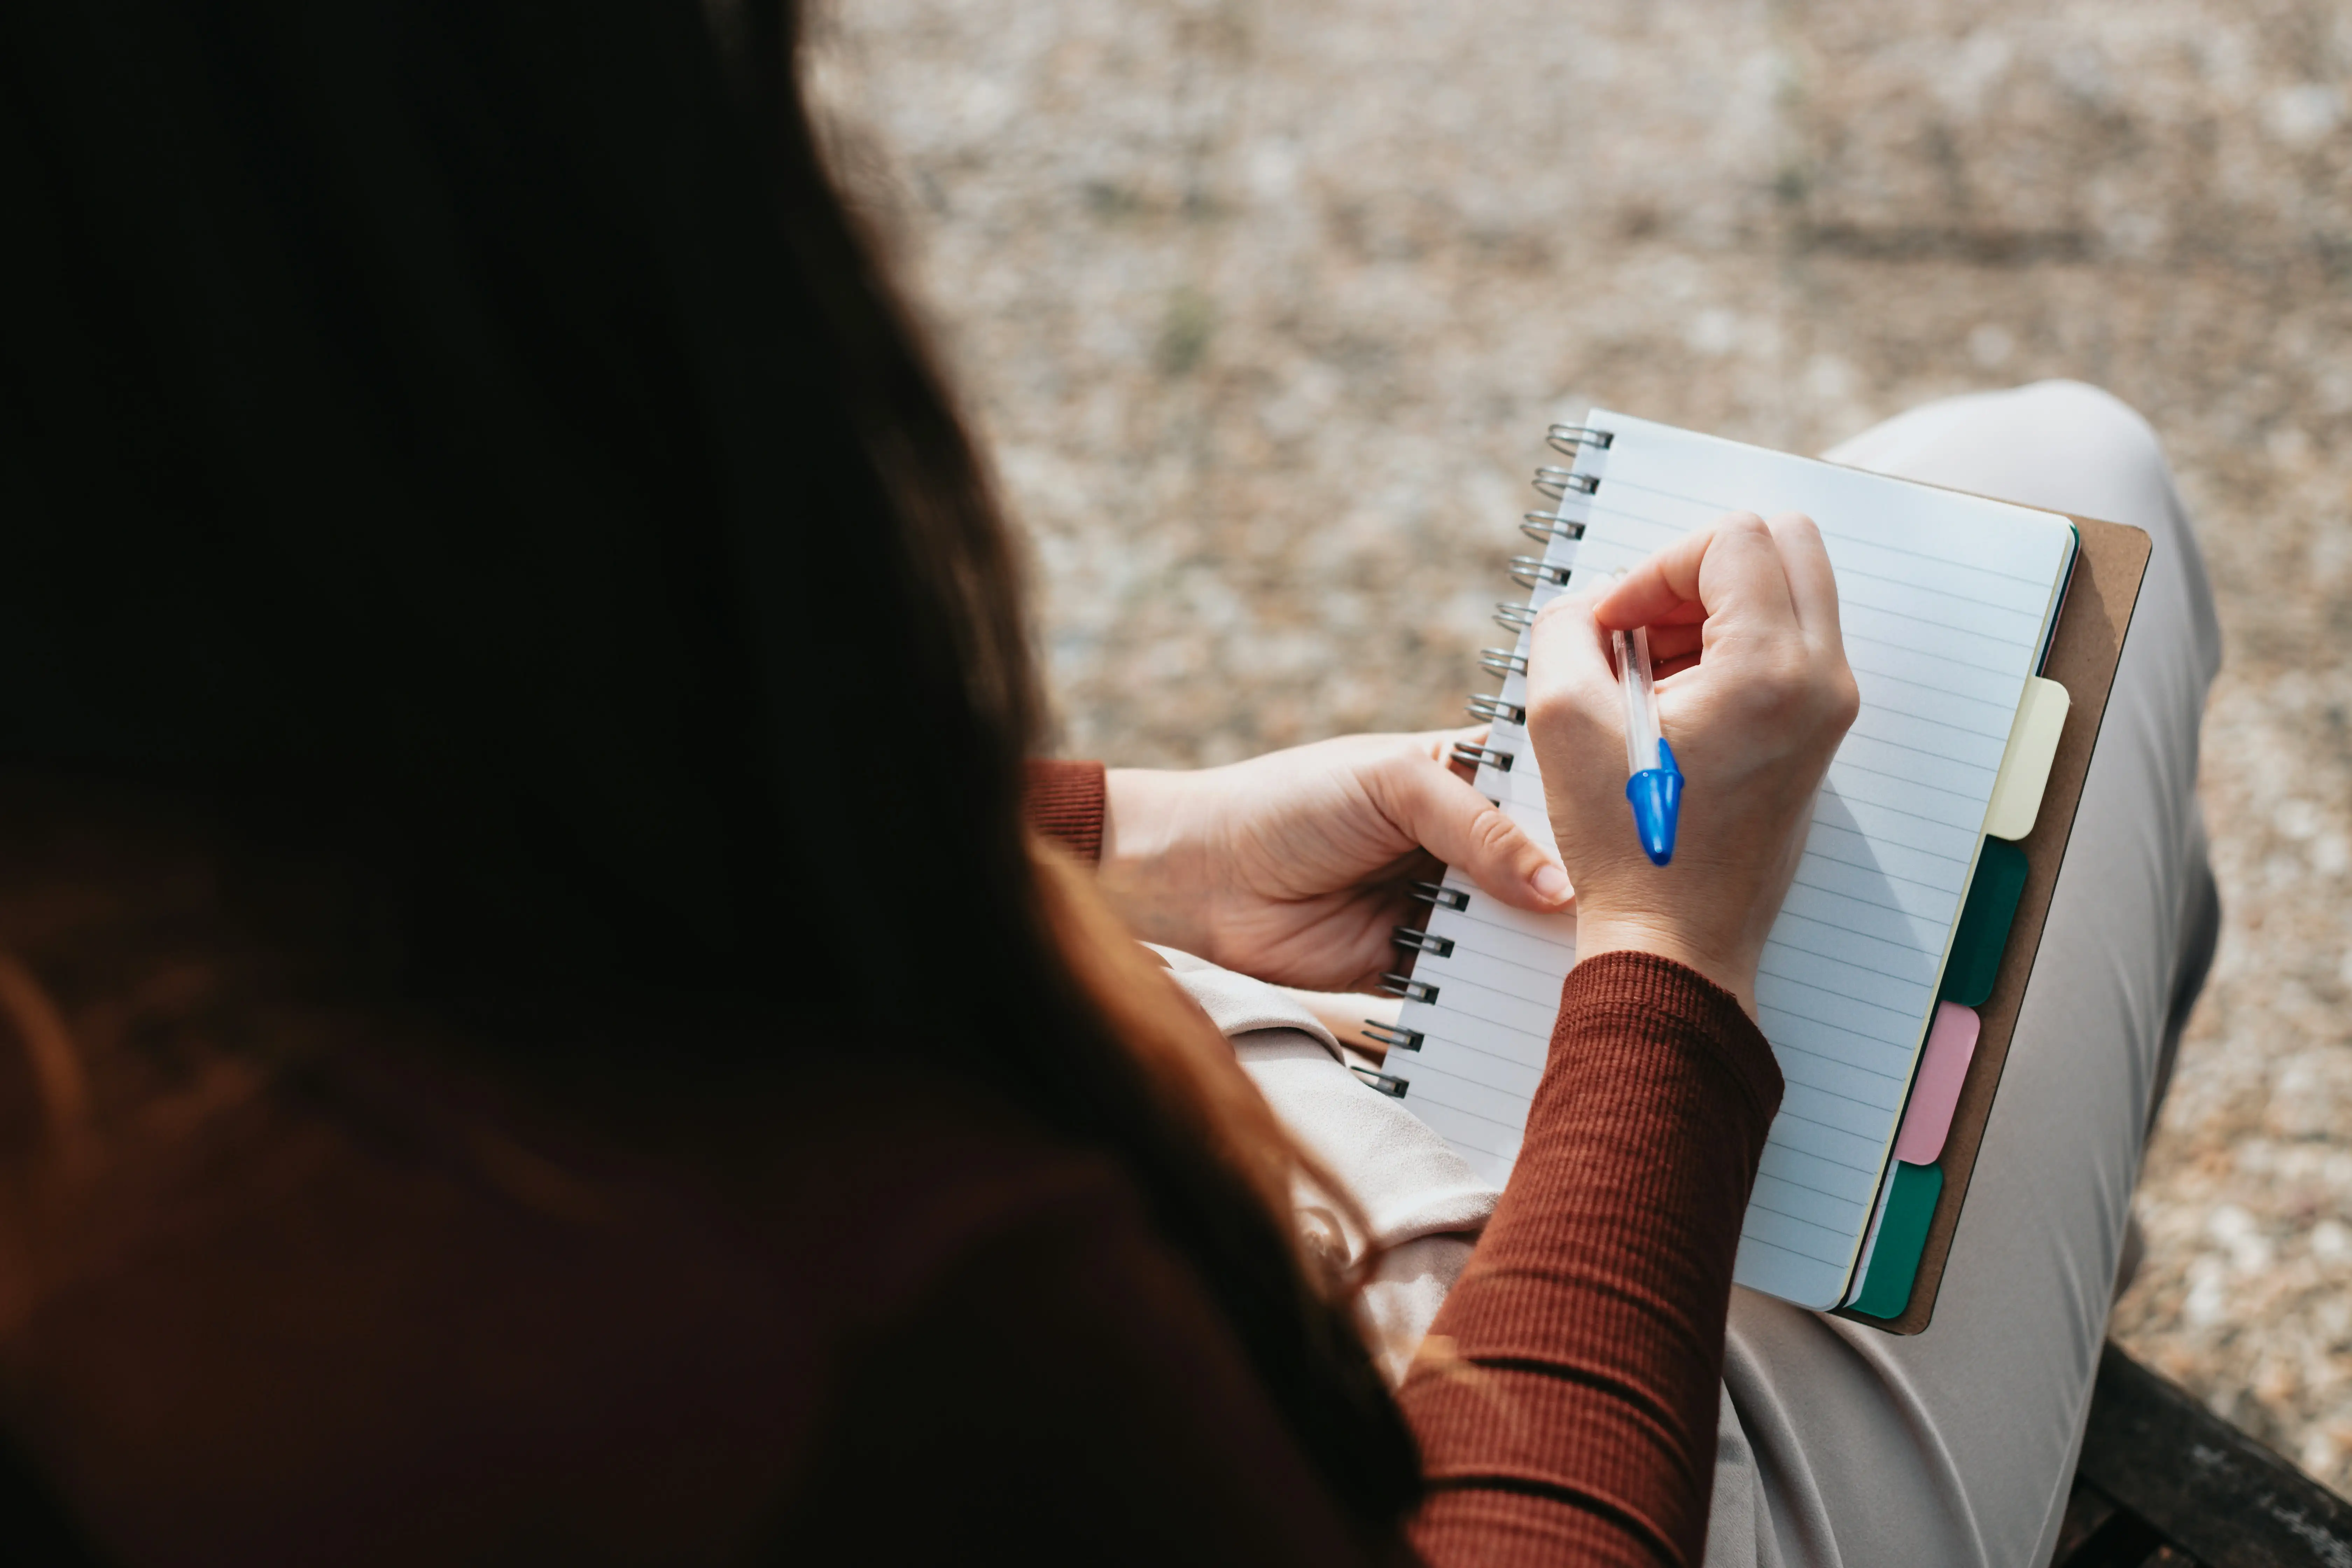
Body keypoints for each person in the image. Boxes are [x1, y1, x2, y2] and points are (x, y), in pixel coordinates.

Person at [0, 7, 2213, 1568]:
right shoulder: (886, 1309)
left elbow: (418, 851)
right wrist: (1669, 966)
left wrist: (1120, 845)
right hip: (1465, 1468)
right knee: (2055, 473)